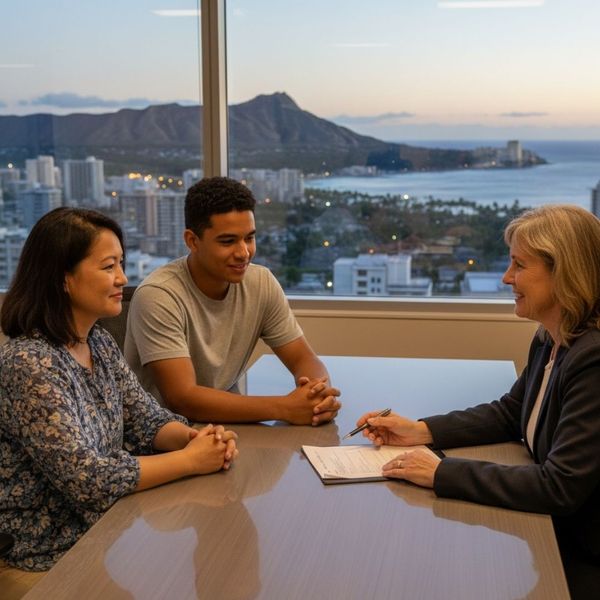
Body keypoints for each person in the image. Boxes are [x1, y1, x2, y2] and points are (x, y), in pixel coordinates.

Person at [356, 204, 600, 599]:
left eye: (519, 266)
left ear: (564, 272)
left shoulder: (593, 359)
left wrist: (441, 471)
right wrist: (420, 430)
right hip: (552, 535)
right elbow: (510, 413)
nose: (507, 278)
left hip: (581, 556)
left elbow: (559, 487)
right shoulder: (552, 337)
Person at [0, 208, 238, 589]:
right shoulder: (30, 362)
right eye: (108, 267)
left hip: (101, 534)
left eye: (121, 265)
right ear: (64, 278)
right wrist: (190, 461)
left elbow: (146, 419)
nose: (123, 279)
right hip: (41, 558)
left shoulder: (96, 340)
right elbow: (87, 479)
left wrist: (195, 439)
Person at [125, 176, 341, 425]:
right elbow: (182, 398)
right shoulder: (159, 295)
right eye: (228, 241)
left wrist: (318, 394)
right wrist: (284, 408)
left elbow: (303, 359)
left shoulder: (260, 282)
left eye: (249, 238)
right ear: (192, 241)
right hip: (162, 437)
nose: (243, 252)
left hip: (227, 428)